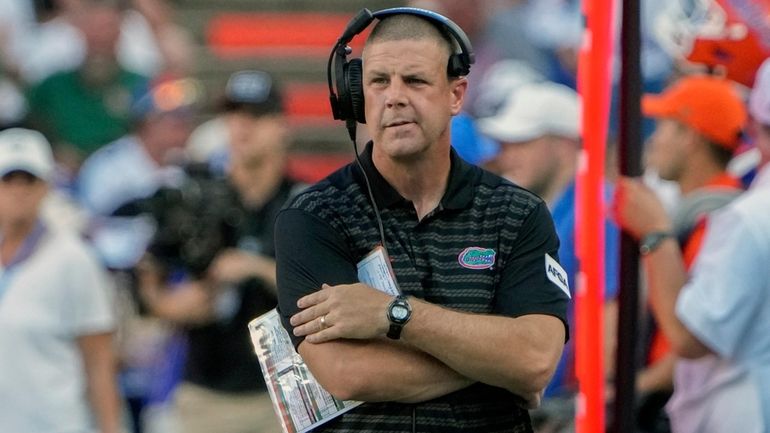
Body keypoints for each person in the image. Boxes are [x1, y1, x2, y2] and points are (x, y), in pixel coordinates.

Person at [275, 9, 570, 432]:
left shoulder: (518, 212)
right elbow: (345, 372)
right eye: (379, 81)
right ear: (357, 97)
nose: (394, 96)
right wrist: (497, 367)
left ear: (455, 94)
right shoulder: (312, 216)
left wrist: (394, 314)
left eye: (415, 80)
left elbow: (536, 359)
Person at [136, 70, 298, 433]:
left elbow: (329, 289)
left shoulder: (305, 202)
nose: (243, 127)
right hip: (204, 392)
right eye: (234, 115)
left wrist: (257, 269)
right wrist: (169, 303)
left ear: (281, 125)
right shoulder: (198, 195)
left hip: (285, 394)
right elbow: (149, 267)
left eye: (256, 116)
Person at [612, 60, 770, 432]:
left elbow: (692, 336)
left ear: (691, 136)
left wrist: (655, 234)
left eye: (665, 125)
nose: (653, 138)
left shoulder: (728, 214)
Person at [477, 80, 619, 431]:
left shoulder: (597, 209)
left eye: (522, 141)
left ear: (565, 144)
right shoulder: (548, 211)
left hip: (566, 408)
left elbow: (609, 318)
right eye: (504, 144)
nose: (506, 155)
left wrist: (581, 405)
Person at [0, 128, 121, 433]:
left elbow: (99, 361)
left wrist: (110, 428)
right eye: (8, 180)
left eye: (29, 180)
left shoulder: (74, 259)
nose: (18, 190)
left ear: (46, 187)